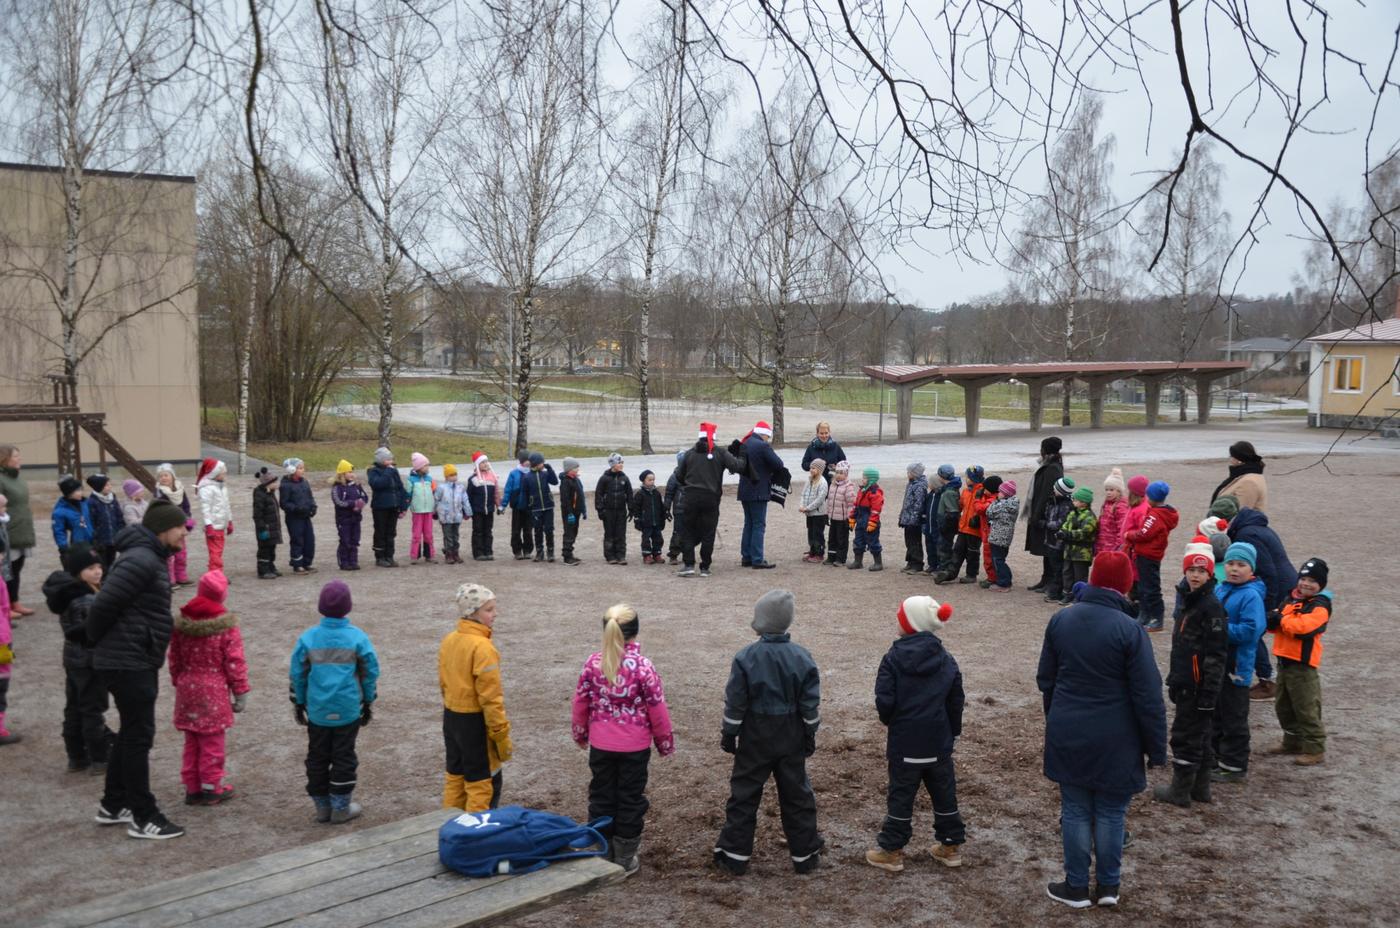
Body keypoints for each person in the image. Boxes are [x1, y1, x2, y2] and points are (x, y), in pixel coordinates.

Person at [1037, 551, 1167, 909]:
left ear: (1093, 578)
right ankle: (1108, 886)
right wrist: (1156, 748)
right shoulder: (1131, 630)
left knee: (1076, 809)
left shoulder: (1061, 620)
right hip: (1118, 735)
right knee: (1111, 812)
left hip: (1069, 727)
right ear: (1126, 585)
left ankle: (1076, 886)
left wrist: (1057, 718)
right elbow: (1148, 694)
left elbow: (1045, 678)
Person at [87, 498, 190, 839]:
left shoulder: (149, 557)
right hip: (127, 661)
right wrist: (103, 643)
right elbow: (102, 605)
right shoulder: (141, 560)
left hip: (133, 657)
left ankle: (114, 804)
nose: (184, 534)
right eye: (180, 528)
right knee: (137, 738)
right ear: (163, 528)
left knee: (131, 732)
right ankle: (144, 816)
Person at [714, 590, 824, 875]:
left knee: (745, 792)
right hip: (791, 733)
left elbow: (736, 700)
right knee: (797, 794)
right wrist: (810, 733)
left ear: (760, 621)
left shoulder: (745, 657)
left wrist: (729, 732)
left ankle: (734, 855)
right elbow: (809, 703)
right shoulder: (802, 657)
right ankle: (806, 854)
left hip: (755, 734)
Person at [864, 596, 966, 872]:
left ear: (910, 624)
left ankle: (892, 850)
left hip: (905, 741)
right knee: (944, 793)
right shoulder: (946, 659)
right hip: (938, 742)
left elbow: (884, 699)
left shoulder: (893, 658)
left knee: (900, 795)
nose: (897, 620)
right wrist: (951, 731)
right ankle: (950, 846)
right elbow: (956, 700)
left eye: (901, 616)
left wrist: (892, 722)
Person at [572, 604, 674, 876]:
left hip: (601, 744)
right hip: (634, 746)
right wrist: (664, 742)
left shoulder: (593, 662)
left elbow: (581, 700)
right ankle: (625, 858)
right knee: (630, 799)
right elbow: (657, 708)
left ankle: (602, 852)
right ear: (635, 631)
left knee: (601, 795)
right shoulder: (643, 667)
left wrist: (580, 733)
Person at [290, 580, 379, 824]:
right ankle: (341, 806)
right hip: (348, 708)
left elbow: (297, 672)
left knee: (317, 756)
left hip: (318, 710)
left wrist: (298, 701)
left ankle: (322, 807)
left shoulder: (308, 638)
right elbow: (370, 670)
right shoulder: (357, 638)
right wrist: (368, 699)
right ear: (348, 607)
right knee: (344, 756)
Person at [1152, 537, 1229, 807]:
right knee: (1202, 735)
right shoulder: (1190, 601)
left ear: (1210, 573)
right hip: (1187, 681)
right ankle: (1201, 787)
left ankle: (1180, 790)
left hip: (1198, 687)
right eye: (1191, 570)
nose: (1195, 576)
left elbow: (1217, 654)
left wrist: (1208, 694)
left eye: (1201, 571)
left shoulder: (1210, 607)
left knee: (1185, 735)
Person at [168, 570, 249, 806]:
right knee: (212, 741)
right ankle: (211, 786)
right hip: (212, 689)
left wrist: (178, 681)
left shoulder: (183, 623)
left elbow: (174, 657)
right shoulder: (225, 626)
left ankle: (192, 787)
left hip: (187, 686)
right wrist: (240, 691)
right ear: (222, 595)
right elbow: (234, 661)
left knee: (192, 739)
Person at [440, 583, 510, 813]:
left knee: (455, 776)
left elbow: (443, 682)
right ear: (473, 613)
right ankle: (477, 836)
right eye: (489, 609)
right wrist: (500, 734)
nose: (495, 614)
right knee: (482, 782)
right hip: (475, 723)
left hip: (451, 717)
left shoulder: (449, 640)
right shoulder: (482, 647)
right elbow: (491, 698)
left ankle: (448, 826)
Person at [44, 543, 112, 765]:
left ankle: (76, 755)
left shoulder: (71, 595)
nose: (97, 571)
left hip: (72, 659)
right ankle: (99, 757)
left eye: (98, 566)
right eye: (90, 568)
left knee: (74, 705)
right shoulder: (87, 600)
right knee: (92, 708)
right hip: (90, 661)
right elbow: (95, 631)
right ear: (77, 572)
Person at [1211, 542, 1267, 784]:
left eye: (1241, 565)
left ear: (1251, 569)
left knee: (1234, 715)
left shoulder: (1251, 595)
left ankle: (1234, 765)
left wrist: (1218, 628)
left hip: (1237, 666)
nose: (1234, 569)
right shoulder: (1221, 589)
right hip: (1217, 662)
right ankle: (1215, 757)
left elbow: (1251, 630)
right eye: (1231, 564)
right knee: (1216, 711)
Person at [1266, 558, 1331, 766]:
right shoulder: (1291, 599)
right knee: (1283, 706)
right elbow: (1277, 622)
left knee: (1306, 707)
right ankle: (1292, 740)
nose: (1306, 584)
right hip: (1284, 661)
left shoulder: (1320, 606)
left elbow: (1304, 628)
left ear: (1321, 585)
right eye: (1303, 579)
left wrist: (1281, 620)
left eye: (1312, 581)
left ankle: (1315, 747)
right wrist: (1273, 619)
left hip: (1303, 666)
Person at [1226, 507, 1292, 700]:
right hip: (1280, 583)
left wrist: (1268, 605)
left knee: (1254, 633)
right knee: (1254, 632)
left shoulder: (1247, 534)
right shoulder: (1254, 527)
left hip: (1276, 586)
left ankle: (1267, 681)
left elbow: (1269, 571)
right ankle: (1270, 679)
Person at [674, 423, 745, 578]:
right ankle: (705, 567)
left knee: (687, 531)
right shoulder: (720, 453)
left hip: (691, 496)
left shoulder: (689, 454)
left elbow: (679, 476)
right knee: (708, 532)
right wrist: (742, 454)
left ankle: (688, 565)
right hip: (711, 498)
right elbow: (738, 466)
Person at [1128, 481, 1179, 631]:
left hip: (1149, 555)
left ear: (1152, 497)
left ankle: (1157, 618)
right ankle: (1144, 615)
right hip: (1148, 554)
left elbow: (1143, 534)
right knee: (1144, 587)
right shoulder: (1160, 512)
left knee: (1151, 588)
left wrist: (1129, 535)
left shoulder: (1155, 515)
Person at [737, 421, 786, 569]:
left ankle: (746, 557)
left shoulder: (744, 444)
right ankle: (757, 559)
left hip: (745, 490)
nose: (768, 439)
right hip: (758, 491)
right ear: (764, 434)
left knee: (748, 524)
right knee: (758, 525)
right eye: (768, 436)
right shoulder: (762, 446)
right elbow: (778, 464)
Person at [0, 445, 38, 618]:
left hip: (22, 528)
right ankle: (6, 607)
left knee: (17, 567)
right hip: (8, 530)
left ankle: (15, 601)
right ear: (5, 458)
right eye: (16, 456)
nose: (20, 459)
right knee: (7, 569)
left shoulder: (19, 479)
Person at [1024, 436, 1065, 593]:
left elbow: (1046, 494)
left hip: (1047, 514)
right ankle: (1045, 578)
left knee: (1049, 547)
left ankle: (1051, 580)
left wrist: (1037, 514)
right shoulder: (1050, 466)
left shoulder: (1052, 468)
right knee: (1045, 547)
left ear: (1045, 450)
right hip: (1044, 512)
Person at [938, 466, 984, 585]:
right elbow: (960, 506)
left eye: (968, 477)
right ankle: (950, 573)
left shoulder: (981, 492)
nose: (966, 479)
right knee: (957, 550)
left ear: (973, 478)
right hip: (963, 527)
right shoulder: (966, 491)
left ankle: (971, 574)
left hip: (974, 529)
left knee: (972, 552)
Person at [366, 447, 409, 567]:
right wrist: (388, 472)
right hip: (380, 507)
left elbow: (399, 487)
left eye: (391, 459)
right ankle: (380, 557)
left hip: (393, 506)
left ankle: (389, 555)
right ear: (382, 460)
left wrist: (403, 504)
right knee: (380, 531)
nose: (391, 461)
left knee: (391, 532)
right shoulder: (373, 471)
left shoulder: (393, 471)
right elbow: (377, 484)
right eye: (388, 459)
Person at [1057, 487, 1099, 606]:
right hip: (1069, 550)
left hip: (1082, 552)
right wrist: (1062, 532)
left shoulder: (1090, 517)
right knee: (1067, 572)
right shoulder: (1073, 513)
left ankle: (1079, 596)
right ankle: (1067, 594)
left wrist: (1067, 534)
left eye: (1075, 500)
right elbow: (1065, 525)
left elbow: (1084, 533)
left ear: (1083, 503)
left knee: (1080, 575)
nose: (1073, 501)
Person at [154, 464, 194, 588]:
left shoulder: (180, 489)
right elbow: (159, 510)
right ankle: (170, 580)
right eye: (160, 476)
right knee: (169, 555)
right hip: (168, 527)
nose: (163, 478)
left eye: (166, 475)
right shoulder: (159, 493)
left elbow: (186, 505)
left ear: (172, 476)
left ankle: (181, 577)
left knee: (181, 553)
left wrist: (187, 518)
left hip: (180, 526)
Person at [1039, 477, 1075, 603]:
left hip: (1058, 542)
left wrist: (1045, 524)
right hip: (1050, 540)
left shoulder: (1066, 505)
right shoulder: (1052, 501)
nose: (1053, 489)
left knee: (1058, 568)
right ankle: (1054, 590)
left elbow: (1060, 523)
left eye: (1056, 488)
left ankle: (1056, 593)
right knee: (1054, 566)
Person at [280, 458, 318, 574]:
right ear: (291, 470)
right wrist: (296, 508)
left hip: (306, 516)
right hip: (294, 518)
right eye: (300, 468)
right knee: (297, 540)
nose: (302, 470)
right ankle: (297, 564)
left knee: (309, 540)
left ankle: (307, 562)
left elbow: (310, 496)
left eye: (303, 468)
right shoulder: (286, 485)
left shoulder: (304, 482)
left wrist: (313, 506)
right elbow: (284, 503)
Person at [331, 460, 370, 571]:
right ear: (342, 474)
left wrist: (361, 504)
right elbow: (338, 501)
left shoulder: (357, 486)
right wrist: (353, 504)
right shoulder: (337, 487)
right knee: (345, 540)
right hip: (343, 519)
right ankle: (344, 562)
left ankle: (353, 561)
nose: (351, 474)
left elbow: (364, 497)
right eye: (348, 472)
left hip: (356, 518)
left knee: (355, 540)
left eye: (352, 472)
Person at [595, 453, 633, 566]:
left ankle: (621, 555)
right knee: (609, 533)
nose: (621, 465)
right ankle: (610, 555)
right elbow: (598, 495)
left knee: (621, 533)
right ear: (613, 464)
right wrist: (600, 509)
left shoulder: (625, 478)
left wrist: (631, 508)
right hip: (608, 511)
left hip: (621, 511)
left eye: (622, 463)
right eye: (619, 462)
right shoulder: (604, 479)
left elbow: (629, 494)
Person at [196, 458, 233, 573]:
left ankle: (215, 573)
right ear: (215, 473)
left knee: (218, 551)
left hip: (221, 525)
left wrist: (229, 521)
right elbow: (205, 509)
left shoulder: (221, 487)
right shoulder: (206, 489)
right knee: (215, 552)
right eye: (223, 472)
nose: (225, 473)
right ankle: (216, 574)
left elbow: (227, 506)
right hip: (213, 527)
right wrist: (209, 525)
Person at [1211, 440, 1268, 513]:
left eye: (1231, 456)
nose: (1230, 459)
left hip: (1237, 524)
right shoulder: (1244, 475)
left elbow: (1240, 512)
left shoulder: (1249, 482)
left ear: (1239, 459)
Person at [523, 452, 558, 563]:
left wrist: (550, 469)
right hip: (535, 508)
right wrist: (528, 507)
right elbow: (525, 493)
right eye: (542, 462)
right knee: (537, 530)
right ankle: (539, 552)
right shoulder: (527, 477)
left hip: (548, 506)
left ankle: (550, 552)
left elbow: (555, 482)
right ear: (536, 463)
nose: (543, 463)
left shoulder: (545, 474)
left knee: (549, 530)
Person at [499, 449, 535, 560]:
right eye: (526, 460)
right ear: (521, 461)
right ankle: (517, 550)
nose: (528, 462)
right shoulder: (514, 473)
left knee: (528, 530)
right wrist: (503, 504)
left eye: (530, 460)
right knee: (516, 530)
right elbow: (508, 490)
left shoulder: (533, 472)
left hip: (529, 507)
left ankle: (528, 550)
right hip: (517, 507)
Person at [434, 463, 472, 565]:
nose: (454, 476)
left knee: (456, 536)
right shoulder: (441, 488)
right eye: (451, 475)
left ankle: (456, 553)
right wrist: (434, 512)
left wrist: (468, 511)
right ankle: (449, 554)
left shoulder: (461, 488)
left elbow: (465, 500)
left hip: (457, 516)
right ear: (446, 476)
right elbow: (436, 500)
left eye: (455, 474)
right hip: (445, 517)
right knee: (448, 536)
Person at [849, 467, 885, 572]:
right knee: (858, 540)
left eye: (864, 478)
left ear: (871, 479)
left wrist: (873, 522)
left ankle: (878, 563)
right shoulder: (862, 490)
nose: (862, 480)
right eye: (863, 477)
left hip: (870, 520)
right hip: (861, 519)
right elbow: (856, 505)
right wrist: (852, 518)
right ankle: (858, 562)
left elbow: (876, 510)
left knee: (873, 541)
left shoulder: (875, 493)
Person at [923, 465, 956, 577]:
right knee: (929, 547)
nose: (929, 484)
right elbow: (925, 510)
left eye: (930, 483)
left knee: (940, 548)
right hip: (929, 527)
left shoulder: (941, 495)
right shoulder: (930, 495)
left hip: (938, 527)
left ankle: (940, 567)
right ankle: (932, 565)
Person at [986, 480, 1019, 592]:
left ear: (1005, 494)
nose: (998, 494)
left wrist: (995, 502)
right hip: (1005, 537)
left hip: (998, 537)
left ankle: (1004, 583)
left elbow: (989, 512)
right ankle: (1004, 580)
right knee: (1000, 559)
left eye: (1000, 492)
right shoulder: (1013, 504)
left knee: (998, 560)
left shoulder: (1002, 505)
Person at [85, 474, 124, 570]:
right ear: (99, 487)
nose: (110, 487)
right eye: (107, 485)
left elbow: (119, 516)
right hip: (100, 542)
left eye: (110, 484)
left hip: (113, 540)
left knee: (112, 563)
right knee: (101, 565)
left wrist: (121, 531)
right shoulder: (91, 502)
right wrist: (95, 539)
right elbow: (91, 522)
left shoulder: (112, 499)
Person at [898, 463, 930, 575]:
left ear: (915, 473)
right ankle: (910, 561)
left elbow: (919, 504)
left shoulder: (920, 486)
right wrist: (902, 517)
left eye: (909, 472)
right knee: (909, 541)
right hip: (908, 518)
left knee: (915, 541)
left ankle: (917, 563)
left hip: (915, 520)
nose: (907, 474)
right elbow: (906, 503)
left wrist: (914, 519)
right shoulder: (911, 484)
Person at [824, 460, 857, 567]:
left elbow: (851, 504)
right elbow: (829, 501)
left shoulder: (848, 486)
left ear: (846, 474)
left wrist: (850, 518)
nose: (838, 475)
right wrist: (828, 514)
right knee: (832, 538)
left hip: (843, 519)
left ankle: (840, 558)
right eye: (837, 472)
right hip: (833, 517)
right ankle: (831, 557)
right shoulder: (832, 485)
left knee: (842, 539)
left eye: (841, 473)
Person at [466, 453, 498, 562]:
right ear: (477, 464)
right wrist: (467, 511)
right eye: (482, 462)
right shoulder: (473, 479)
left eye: (486, 462)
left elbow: (496, 494)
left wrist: (499, 505)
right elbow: (468, 496)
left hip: (489, 510)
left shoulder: (493, 477)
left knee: (488, 531)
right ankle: (478, 552)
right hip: (477, 510)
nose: (485, 464)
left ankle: (488, 551)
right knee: (478, 531)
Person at [252, 467, 283, 580]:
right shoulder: (260, 495)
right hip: (265, 528)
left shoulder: (270, 493)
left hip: (273, 527)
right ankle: (263, 570)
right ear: (268, 484)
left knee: (272, 548)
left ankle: (271, 566)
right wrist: (262, 528)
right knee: (264, 549)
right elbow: (257, 514)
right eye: (274, 482)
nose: (277, 484)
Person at [52, 474, 94, 555]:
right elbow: (59, 531)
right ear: (69, 493)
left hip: (93, 543)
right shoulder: (60, 511)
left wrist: (97, 536)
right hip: (77, 546)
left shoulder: (86, 503)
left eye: (81, 490)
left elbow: (94, 520)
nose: (81, 493)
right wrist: (63, 548)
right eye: (77, 490)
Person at [407, 453, 437, 564]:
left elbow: (435, 492)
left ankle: (430, 555)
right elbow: (408, 495)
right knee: (416, 534)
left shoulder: (430, 479)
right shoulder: (411, 480)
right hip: (417, 511)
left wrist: (436, 507)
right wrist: (404, 508)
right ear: (419, 467)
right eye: (426, 465)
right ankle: (414, 556)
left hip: (428, 510)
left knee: (429, 534)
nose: (428, 468)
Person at [631, 470, 667, 565]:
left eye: (653, 480)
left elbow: (661, 506)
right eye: (649, 480)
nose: (652, 482)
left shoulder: (657, 493)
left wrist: (663, 517)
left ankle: (657, 554)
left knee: (658, 539)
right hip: (646, 522)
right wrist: (637, 519)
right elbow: (636, 508)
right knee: (646, 539)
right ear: (644, 481)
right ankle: (647, 555)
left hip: (656, 522)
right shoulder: (640, 494)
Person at [798, 459, 830, 564]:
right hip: (809, 513)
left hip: (819, 514)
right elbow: (803, 494)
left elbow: (820, 499)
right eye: (811, 468)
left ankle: (819, 554)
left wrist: (808, 508)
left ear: (820, 470)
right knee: (810, 533)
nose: (811, 470)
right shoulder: (809, 480)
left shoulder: (823, 482)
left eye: (814, 468)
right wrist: (802, 505)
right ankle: (812, 551)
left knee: (817, 534)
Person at [932, 466, 962, 574]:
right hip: (946, 523)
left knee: (944, 547)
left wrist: (946, 525)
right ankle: (944, 567)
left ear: (941, 477)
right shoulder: (950, 488)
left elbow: (952, 512)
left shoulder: (949, 492)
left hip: (947, 524)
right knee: (944, 546)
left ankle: (944, 568)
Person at [974, 475, 1002, 588]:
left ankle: (992, 578)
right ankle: (993, 577)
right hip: (987, 532)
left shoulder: (992, 501)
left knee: (989, 557)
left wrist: (977, 498)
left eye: (985, 488)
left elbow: (980, 509)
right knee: (991, 556)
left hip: (989, 533)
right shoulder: (993, 497)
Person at [558, 457, 587, 566]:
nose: (577, 469)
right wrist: (570, 513)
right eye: (575, 467)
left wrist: (583, 510)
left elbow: (581, 496)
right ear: (569, 469)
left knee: (574, 532)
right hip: (569, 513)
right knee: (569, 532)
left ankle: (570, 552)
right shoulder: (566, 482)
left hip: (576, 511)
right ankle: (567, 556)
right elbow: (565, 500)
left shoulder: (576, 480)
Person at [1095, 469, 1129, 557]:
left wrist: (1118, 548)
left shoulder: (1120, 507)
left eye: (1111, 490)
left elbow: (1122, 529)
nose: (1108, 492)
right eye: (1106, 490)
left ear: (1119, 491)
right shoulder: (1106, 504)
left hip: (1113, 548)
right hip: (1103, 546)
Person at [663, 451, 687, 565]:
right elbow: (669, 494)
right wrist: (666, 508)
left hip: (692, 509)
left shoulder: (694, 475)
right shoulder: (674, 477)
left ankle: (688, 554)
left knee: (691, 533)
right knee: (678, 532)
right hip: (679, 509)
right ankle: (673, 554)